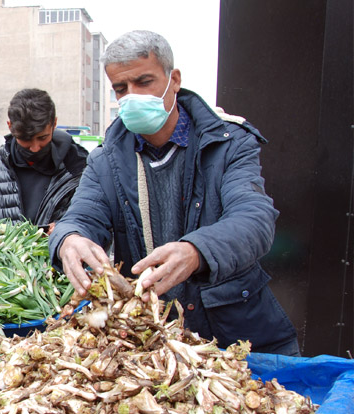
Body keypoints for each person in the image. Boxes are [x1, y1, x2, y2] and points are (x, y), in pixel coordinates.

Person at [49, 30, 298, 355]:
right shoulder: (106, 160)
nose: (132, 96)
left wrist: (197, 251)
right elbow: (80, 217)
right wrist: (68, 239)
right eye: (121, 88)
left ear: (174, 79)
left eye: (144, 82)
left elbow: (254, 218)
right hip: (151, 336)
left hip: (233, 331)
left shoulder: (228, 144)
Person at [0, 89, 88, 234]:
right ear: (10, 126)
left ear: (54, 123)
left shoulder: (81, 172)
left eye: (42, 138)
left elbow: (98, 227)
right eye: (25, 139)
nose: (35, 148)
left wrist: (66, 231)